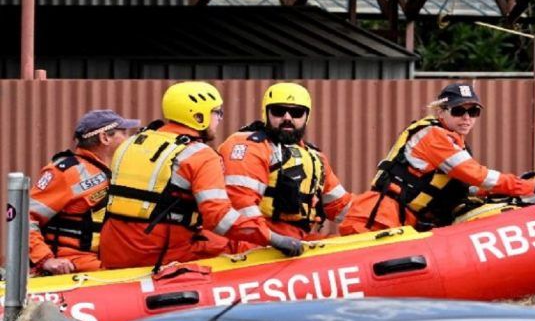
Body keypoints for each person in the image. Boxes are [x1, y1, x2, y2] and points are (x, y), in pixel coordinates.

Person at [99, 81, 302, 270]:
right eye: (217, 112)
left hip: (112, 250)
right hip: (158, 252)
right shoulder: (200, 155)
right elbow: (219, 218)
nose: (219, 119)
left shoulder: (132, 143)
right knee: (238, 246)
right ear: (198, 116)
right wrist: (274, 239)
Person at [339, 83, 535, 234]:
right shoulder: (434, 137)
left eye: (474, 111)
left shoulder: (453, 142)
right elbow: (479, 176)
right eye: (459, 111)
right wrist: (527, 187)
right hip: (378, 220)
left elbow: (466, 188)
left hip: (400, 222)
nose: (467, 117)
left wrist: (511, 185)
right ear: (441, 112)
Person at [218, 82, 352, 241]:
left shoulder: (315, 157)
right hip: (254, 243)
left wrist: (376, 216)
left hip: (296, 239)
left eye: (296, 112)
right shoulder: (249, 146)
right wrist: (272, 239)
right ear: (266, 113)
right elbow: (239, 203)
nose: (287, 117)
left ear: (306, 116)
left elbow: (341, 207)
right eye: (279, 111)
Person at [29, 109, 140, 275]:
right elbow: (23, 218)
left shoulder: (120, 169)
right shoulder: (65, 172)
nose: (128, 139)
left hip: (111, 264)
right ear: (105, 137)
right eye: (123, 133)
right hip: (77, 267)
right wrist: (46, 260)